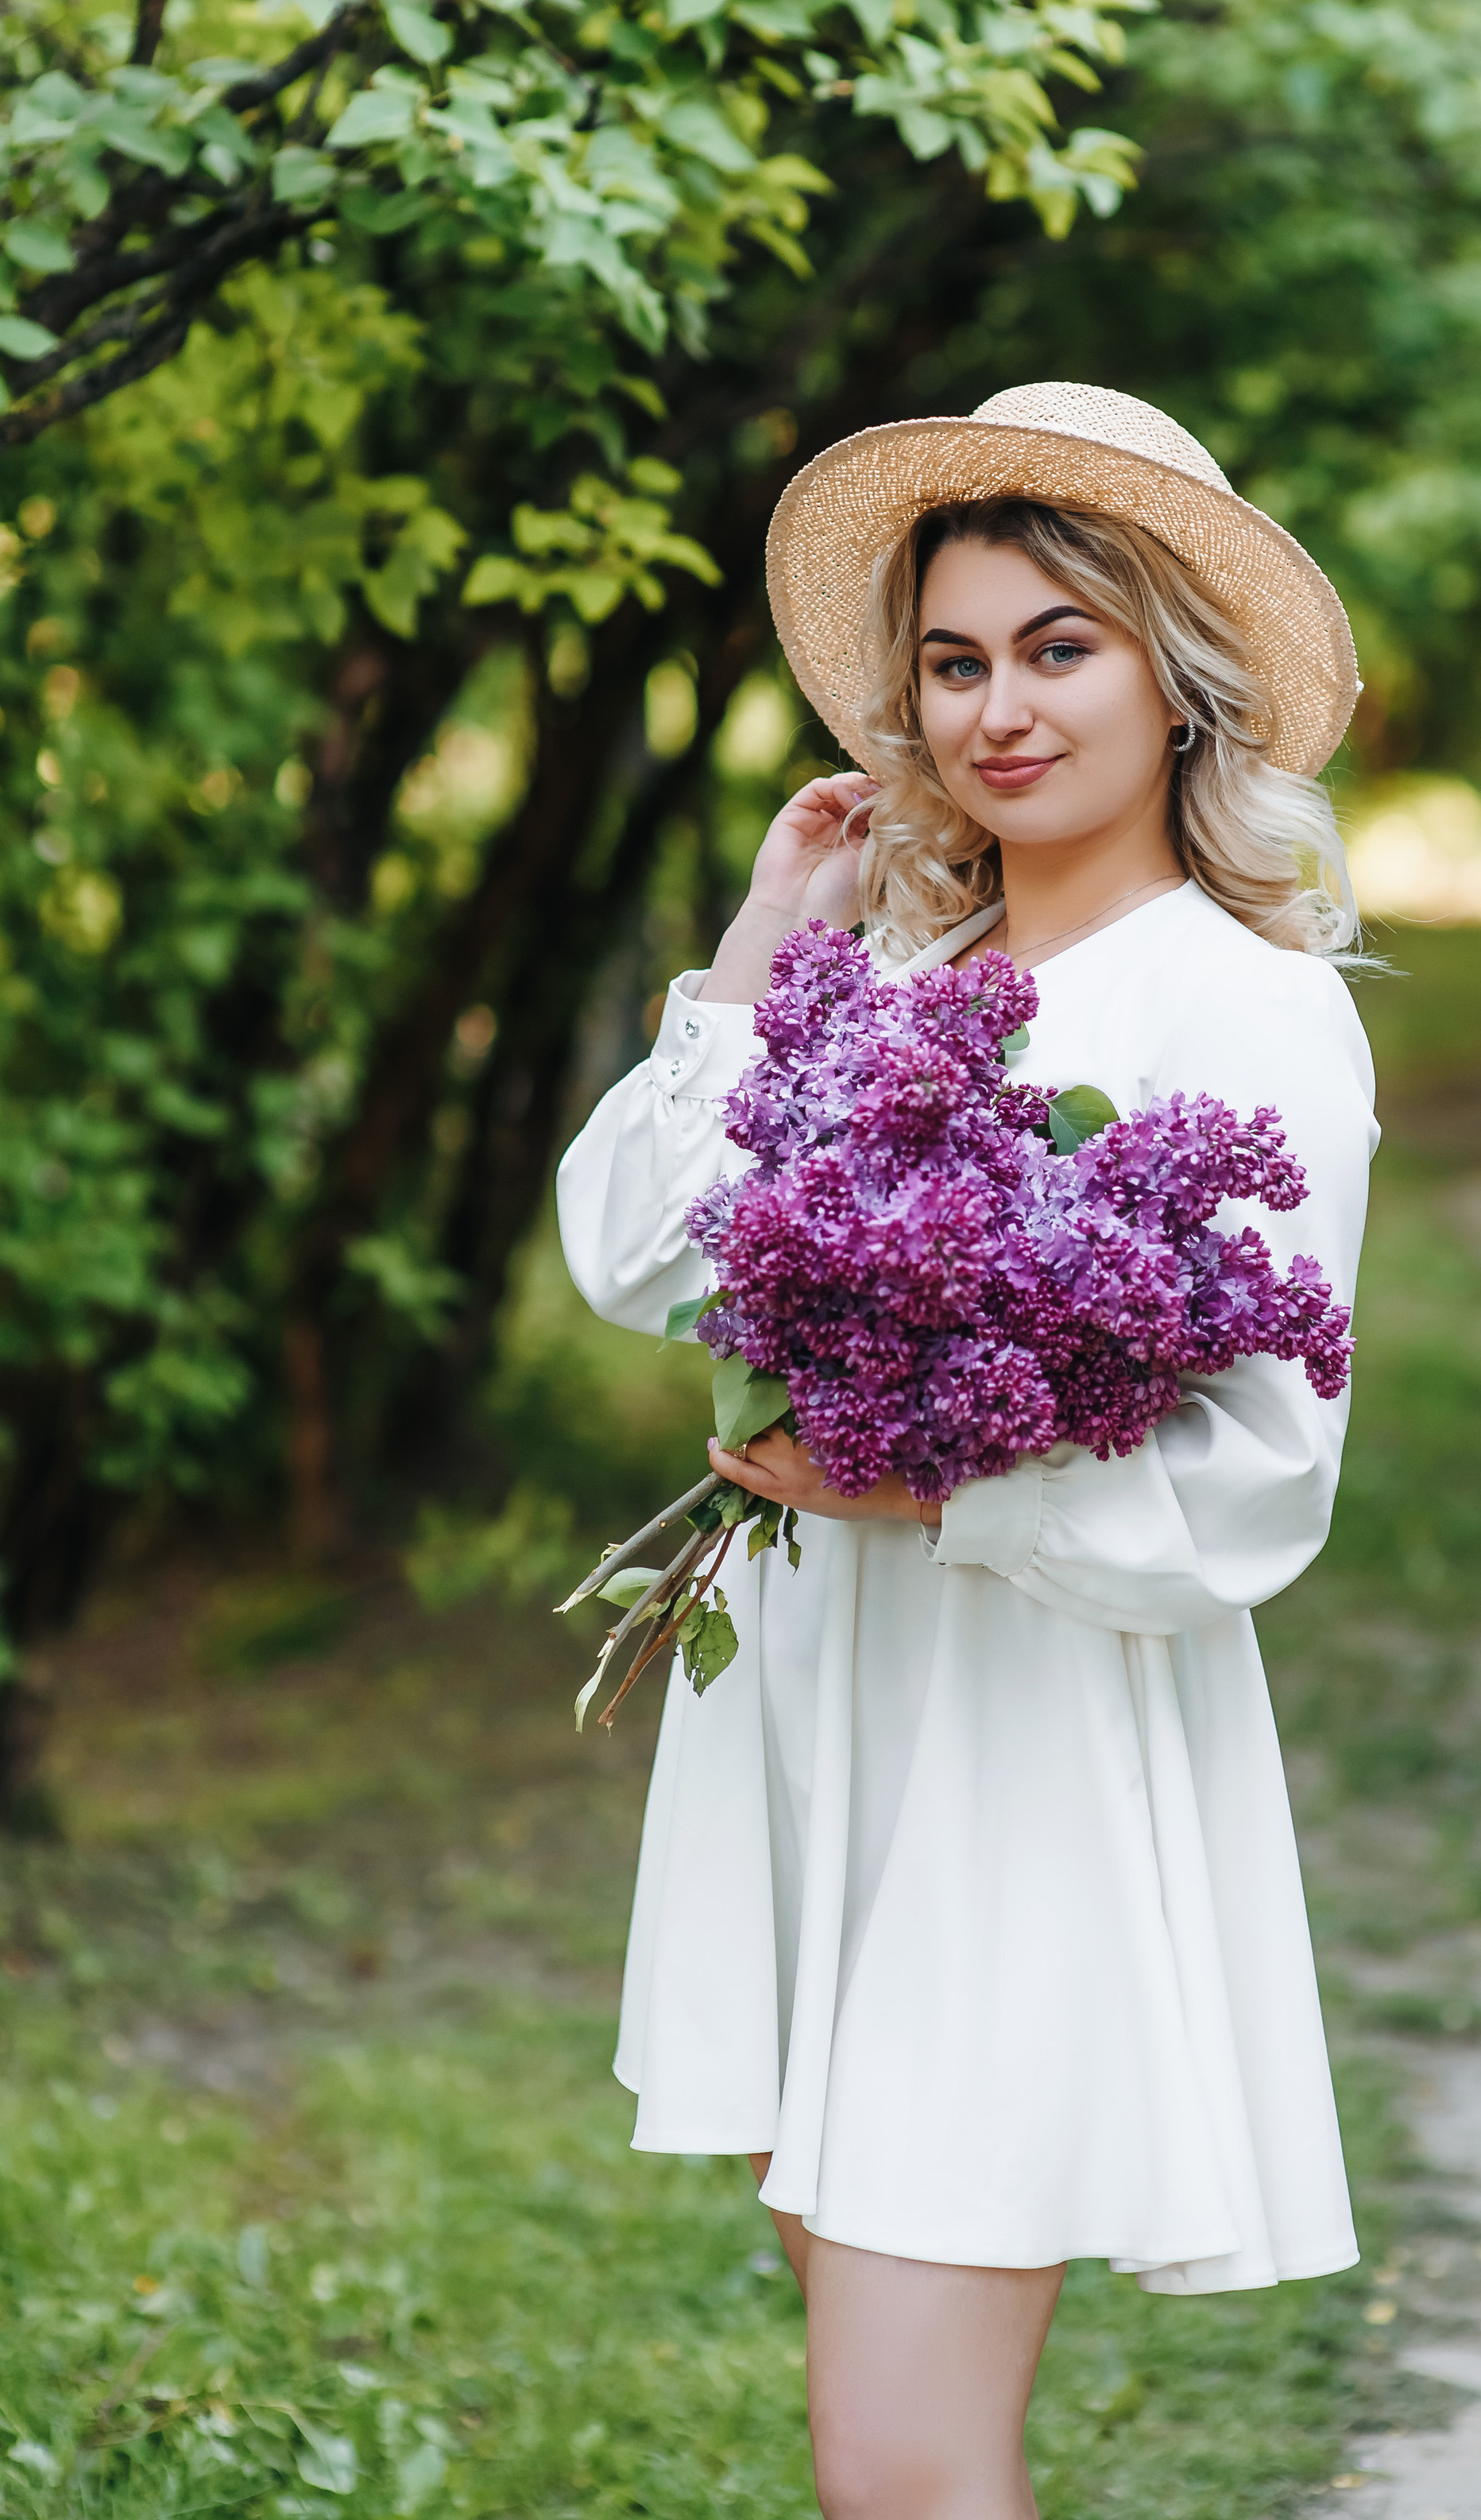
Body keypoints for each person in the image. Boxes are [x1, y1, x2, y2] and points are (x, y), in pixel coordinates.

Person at [557, 382, 1379, 2519]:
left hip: (1018, 1754)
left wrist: (932, 1478)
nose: (999, 707)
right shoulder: (898, 974)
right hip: (830, 1735)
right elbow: (641, 1256)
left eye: (1057, 646)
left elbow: (1265, 1470)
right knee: (892, 2447)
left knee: (907, 2469)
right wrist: (766, 941)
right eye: (954, 659)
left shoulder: (1247, 1010)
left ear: (1177, 676)